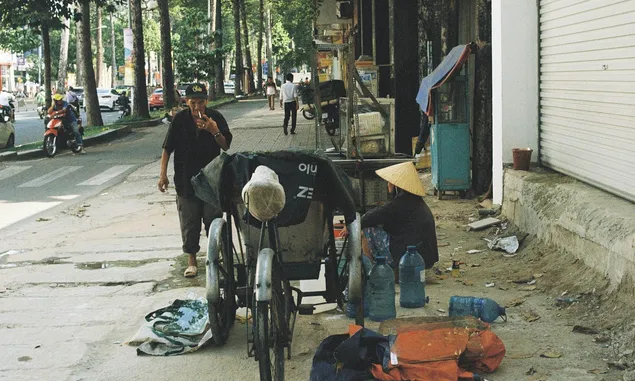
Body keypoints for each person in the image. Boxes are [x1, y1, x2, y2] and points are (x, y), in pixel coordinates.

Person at [158, 83, 232, 278]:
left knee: (213, 220)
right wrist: (162, 174)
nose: (197, 106)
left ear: (206, 101)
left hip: (211, 178)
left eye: (200, 102)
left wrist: (214, 130)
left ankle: (216, 256)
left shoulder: (215, 117)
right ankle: (191, 261)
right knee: (189, 222)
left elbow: (225, 146)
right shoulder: (180, 119)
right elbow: (167, 148)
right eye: (193, 102)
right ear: (186, 102)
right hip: (185, 179)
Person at [359, 162, 439, 282]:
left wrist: (350, 226)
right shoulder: (415, 202)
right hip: (425, 258)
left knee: (366, 229)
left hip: (410, 258)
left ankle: (371, 273)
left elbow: (369, 218)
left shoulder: (400, 203)